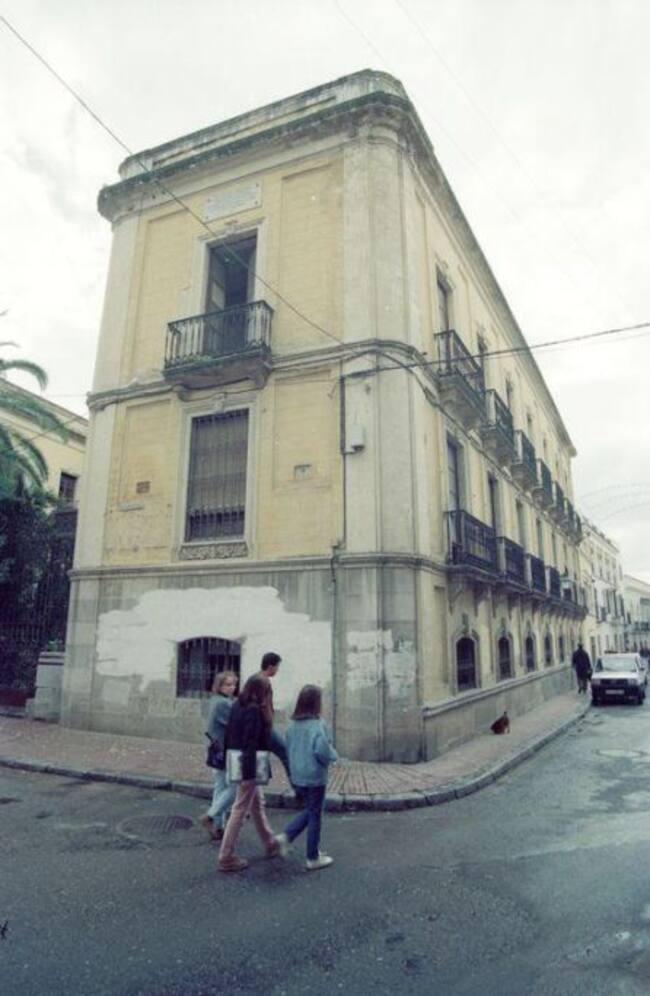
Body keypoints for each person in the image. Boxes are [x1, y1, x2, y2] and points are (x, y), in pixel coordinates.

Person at [217, 675, 281, 873]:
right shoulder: (254, 709)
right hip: (249, 765)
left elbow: (229, 735)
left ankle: (270, 842)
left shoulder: (238, 704)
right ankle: (226, 856)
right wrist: (249, 773)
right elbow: (251, 742)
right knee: (240, 809)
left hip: (238, 760)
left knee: (256, 805)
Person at [274, 684, 338, 871]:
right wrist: (333, 757)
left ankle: (289, 838)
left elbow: (288, 749)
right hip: (315, 775)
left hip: (298, 775)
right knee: (315, 814)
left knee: (311, 809)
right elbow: (322, 751)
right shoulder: (318, 725)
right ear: (316, 703)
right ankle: (311, 856)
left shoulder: (291, 726)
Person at [201, 670, 238, 842]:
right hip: (224, 749)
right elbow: (235, 723)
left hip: (216, 748)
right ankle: (210, 815)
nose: (232, 687)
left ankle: (218, 826)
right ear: (219, 685)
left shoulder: (217, 700)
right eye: (228, 684)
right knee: (235, 787)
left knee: (220, 786)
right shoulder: (223, 703)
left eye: (234, 684)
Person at [255, 651, 293, 786]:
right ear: (271, 666)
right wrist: (269, 722)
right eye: (277, 666)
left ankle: (256, 791)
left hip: (260, 727)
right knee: (285, 752)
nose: (277, 670)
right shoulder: (263, 681)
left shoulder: (257, 678)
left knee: (260, 758)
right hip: (265, 728)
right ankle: (298, 786)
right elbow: (263, 706)